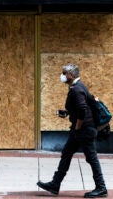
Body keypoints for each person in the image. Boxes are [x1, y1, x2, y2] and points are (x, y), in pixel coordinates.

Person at [37, 63, 107, 198]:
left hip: (84, 129)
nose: (62, 76)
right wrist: (68, 113)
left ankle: (101, 187)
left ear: (72, 75)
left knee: (91, 158)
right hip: (80, 130)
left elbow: (82, 110)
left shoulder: (76, 89)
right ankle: (55, 184)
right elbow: (80, 107)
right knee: (67, 153)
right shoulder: (77, 87)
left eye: (64, 73)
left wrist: (78, 126)